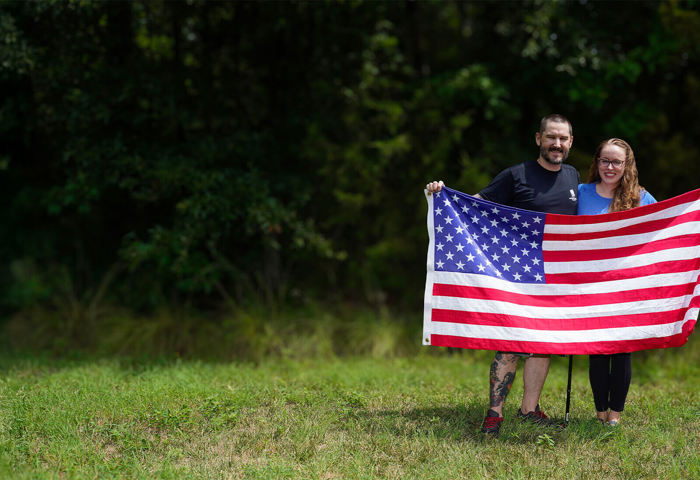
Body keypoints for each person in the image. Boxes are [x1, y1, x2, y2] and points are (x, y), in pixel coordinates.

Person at [426, 114, 580, 435]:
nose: (557, 144)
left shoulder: (573, 177)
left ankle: (528, 408)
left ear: (570, 143)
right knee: (510, 343)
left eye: (563, 139)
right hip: (515, 275)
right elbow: (474, 205)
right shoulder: (516, 175)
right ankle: (494, 414)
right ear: (538, 139)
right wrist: (443, 194)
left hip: (553, 279)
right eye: (551, 137)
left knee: (543, 343)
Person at [577, 138, 656, 427]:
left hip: (625, 287)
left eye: (616, 162)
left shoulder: (640, 198)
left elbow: (663, 230)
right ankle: (600, 412)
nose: (610, 167)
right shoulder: (580, 193)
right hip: (591, 286)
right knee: (597, 351)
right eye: (604, 161)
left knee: (621, 350)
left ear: (627, 165)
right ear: (596, 163)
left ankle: (615, 415)